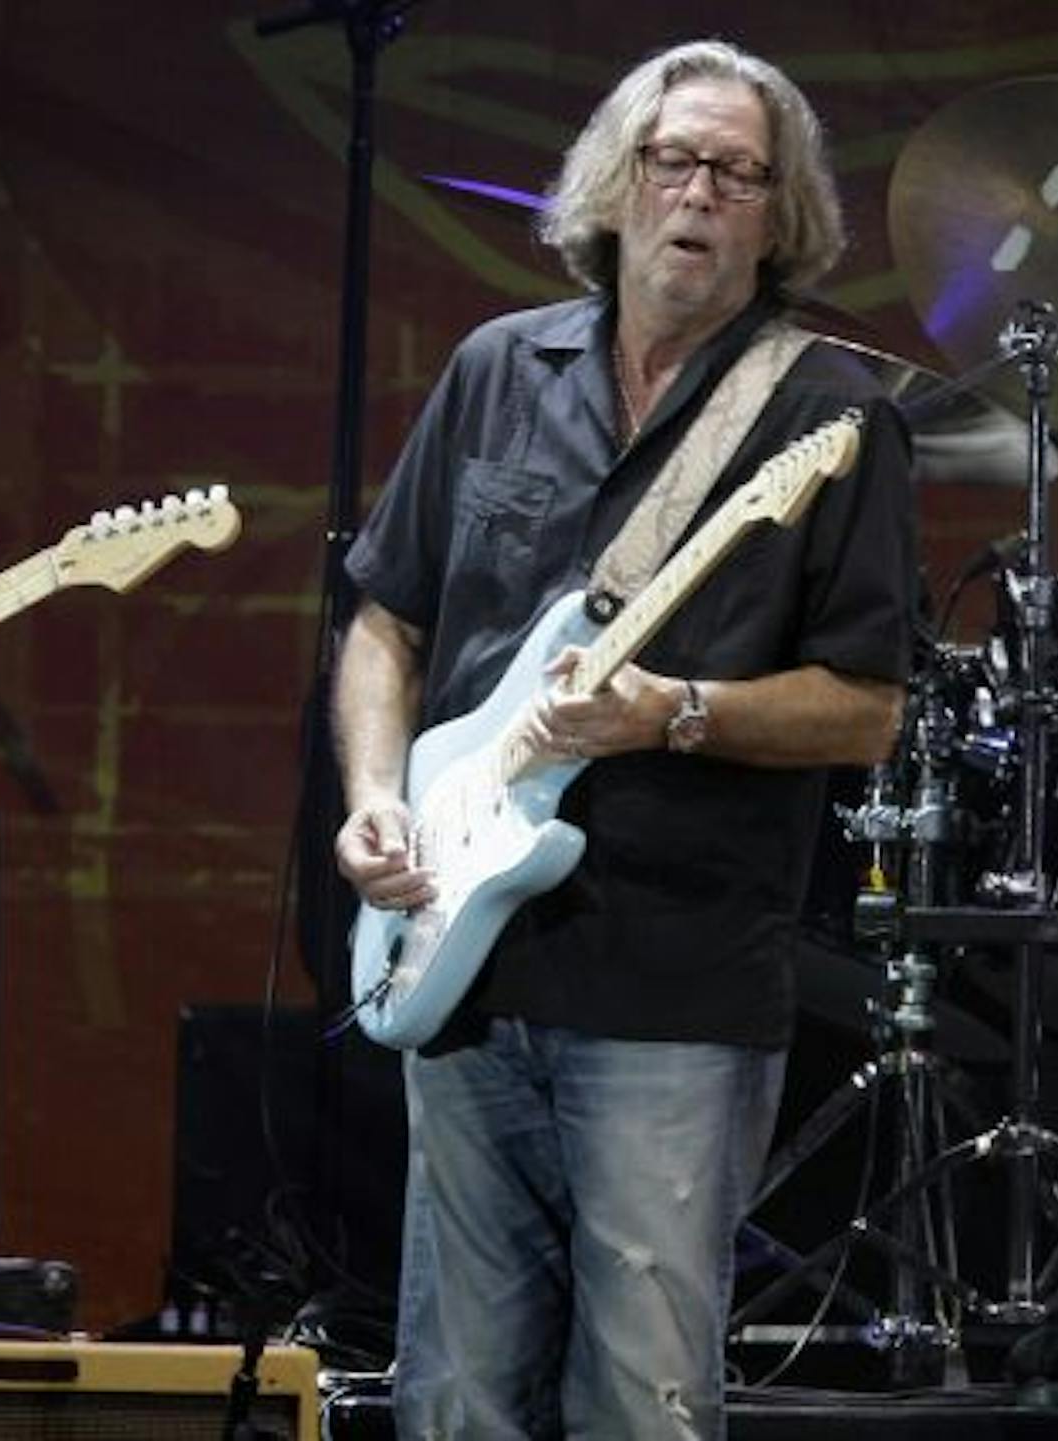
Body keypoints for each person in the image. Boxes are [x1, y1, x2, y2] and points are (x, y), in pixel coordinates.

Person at [331, 41, 917, 1439]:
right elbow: (383, 623)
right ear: (618, 180)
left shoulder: (825, 415)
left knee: (642, 1402)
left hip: (674, 986)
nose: (699, 193)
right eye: (674, 160)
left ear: (781, 217)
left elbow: (869, 706)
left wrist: (682, 712)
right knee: (455, 1395)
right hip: (459, 966)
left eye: (737, 172)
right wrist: (371, 795)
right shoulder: (495, 368)